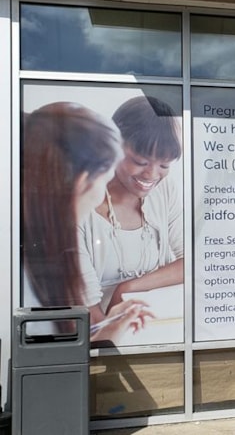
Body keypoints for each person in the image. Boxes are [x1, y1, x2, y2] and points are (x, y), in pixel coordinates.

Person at [21, 102, 151, 342]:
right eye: (105, 181)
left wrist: (108, 330)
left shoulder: (36, 255)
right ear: (82, 181)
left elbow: (56, 347)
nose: (101, 197)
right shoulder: (29, 274)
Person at [78, 95, 184, 325]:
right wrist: (117, 318)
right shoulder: (77, 208)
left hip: (153, 330)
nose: (152, 175)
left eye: (164, 165)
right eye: (141, 161)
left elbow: (193, 263)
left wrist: (126, 289)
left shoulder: (164, 190)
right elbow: (90, 321)